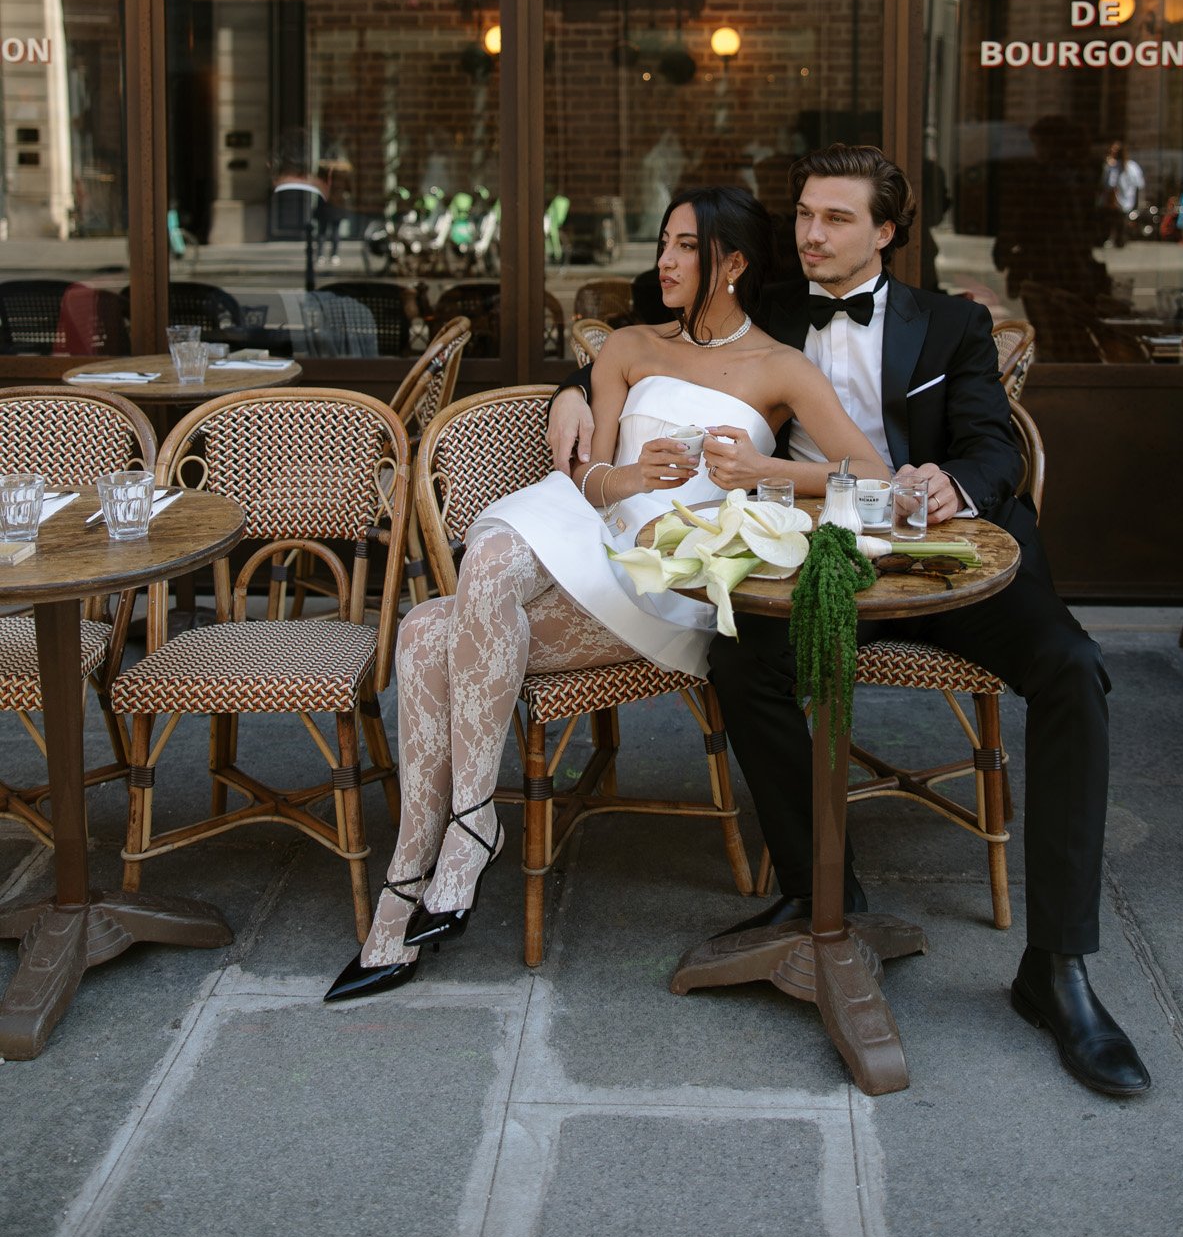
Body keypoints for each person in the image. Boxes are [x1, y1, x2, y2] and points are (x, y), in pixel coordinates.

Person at [546, 144, 1151, 1099]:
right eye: (802, 217)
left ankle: (1058, 968)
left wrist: (954, 484)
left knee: (1074, 670)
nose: (810, 234)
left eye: (834, 219)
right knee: (744, 660)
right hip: (811, 553)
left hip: (939, 551)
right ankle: (821, 889)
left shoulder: (951, 322)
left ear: (886, 231)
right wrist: (571, 393)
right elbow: (650, 339)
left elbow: (992, 440)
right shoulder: (767, 305)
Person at [325, 183, 883, 1004]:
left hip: (658, 569)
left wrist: (764, 471)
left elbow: (868, 477)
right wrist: (615, 474)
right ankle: (467, 826)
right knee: (485, 562)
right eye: (663, 242)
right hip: (583, 517)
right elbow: (586, 473)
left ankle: (406, 886)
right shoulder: (626, 346)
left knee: (424, 632)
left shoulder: (782, 368)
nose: (663, 259)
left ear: (731, 263)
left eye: (685, 246)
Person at [1100, 140, 1145, 247]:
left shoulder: (1113, 168)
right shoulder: (1133, 167)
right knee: (1121, 225)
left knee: (1114, 224)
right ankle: (1120, 241)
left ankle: (1115, 240)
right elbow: (1140, 186)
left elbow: (1110, 186)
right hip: (1126, 203)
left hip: (1116, 203)